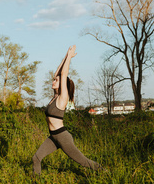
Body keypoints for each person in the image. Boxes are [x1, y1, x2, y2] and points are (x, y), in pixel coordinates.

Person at [32, 45, 103, 174]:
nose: (53, 81)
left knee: (83, 161)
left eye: (56, 80)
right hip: (53, 137)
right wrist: (66, 55)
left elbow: (63, 74)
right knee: (36, 158)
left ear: (62, 84)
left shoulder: (62, 98)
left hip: (63, 137)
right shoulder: (54, 97)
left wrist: (69, 58)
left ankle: (104, 171)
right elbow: (58, 73)